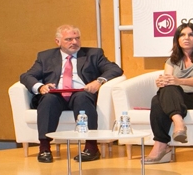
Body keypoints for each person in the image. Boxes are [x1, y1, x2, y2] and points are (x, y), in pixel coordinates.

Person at [20, 24, 123, 163]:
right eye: (69, 39)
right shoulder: (45, 57)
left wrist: (98, 81)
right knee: (48, 99)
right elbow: (26, 76)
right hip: (56, 94)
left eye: (77, 38)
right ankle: (44, 148)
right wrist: (40, 87)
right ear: (58, 42)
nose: (74, 42)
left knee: (82, 97)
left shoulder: (94, 54)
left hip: (81, 93)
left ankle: (91, 148)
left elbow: (115, 69)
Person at [144, 23, 193, 164]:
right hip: (175, 97)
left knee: (159, 98)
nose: (186, 38)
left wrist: (178, 80)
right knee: (159, 97)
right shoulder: (171, 60)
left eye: (191, 35)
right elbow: (168, 81)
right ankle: (178, 125)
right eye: (182, 35)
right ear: (177, 39)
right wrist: (162, 82)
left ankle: (162, 145)